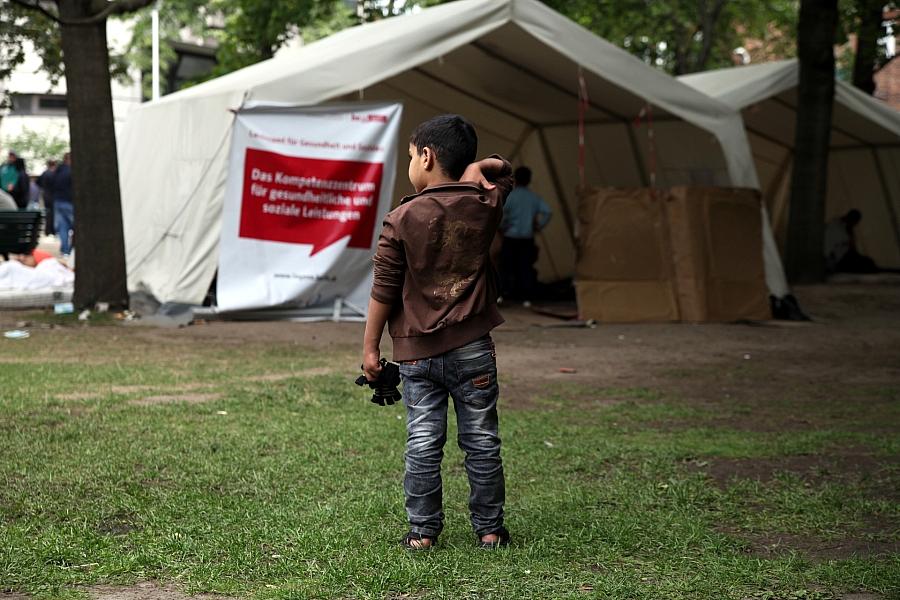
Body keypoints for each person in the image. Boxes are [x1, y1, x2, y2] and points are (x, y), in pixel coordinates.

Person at [361, 114, 514, 551]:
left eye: (411, 155)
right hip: (473, 350)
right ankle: (490, 531)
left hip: (416, 355)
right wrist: (478, 170)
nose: (410, 163)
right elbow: (505, 172)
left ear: (426, 156)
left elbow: (384, 289)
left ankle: (423, 534)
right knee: (482, 440)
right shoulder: (484, 203)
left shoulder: (401, 217)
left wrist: (371, 348)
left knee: (424, 442)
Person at [499, 166, 551, 303]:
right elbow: (547, 211)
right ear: (529, 180)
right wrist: (539, 226)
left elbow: (501, 214)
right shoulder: (534, 197)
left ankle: (504, 295)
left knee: (507, 266)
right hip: (527, 238)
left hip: (511, 237)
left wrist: (503, 226)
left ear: (514, 179)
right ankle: (526, 298)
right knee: (525, 267)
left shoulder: (511, 196)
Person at [824, 209, 877, 274]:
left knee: (868, 263)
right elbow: (829, 248)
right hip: (838, 260)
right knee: (865, 264)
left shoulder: (846, 228)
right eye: (854, 222)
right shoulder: (835, 227)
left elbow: (849, 246)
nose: (854, 225)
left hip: (844, 257)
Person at [51, 152, 74, 255]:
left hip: (58, 202)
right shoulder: (71, 172)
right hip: (69, 202)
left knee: (63, 227)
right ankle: (70, 249)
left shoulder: (57, 171)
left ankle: (65, 250)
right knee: (75, 226)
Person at [37, 159, 57, 235]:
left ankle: (47, 230)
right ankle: (52, 230)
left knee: (48, 213)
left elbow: (37, 182)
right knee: (53, 213)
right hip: (52, 195)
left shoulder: (44, 173)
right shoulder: (54, 174)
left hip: (45, 195)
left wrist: (43, 187)